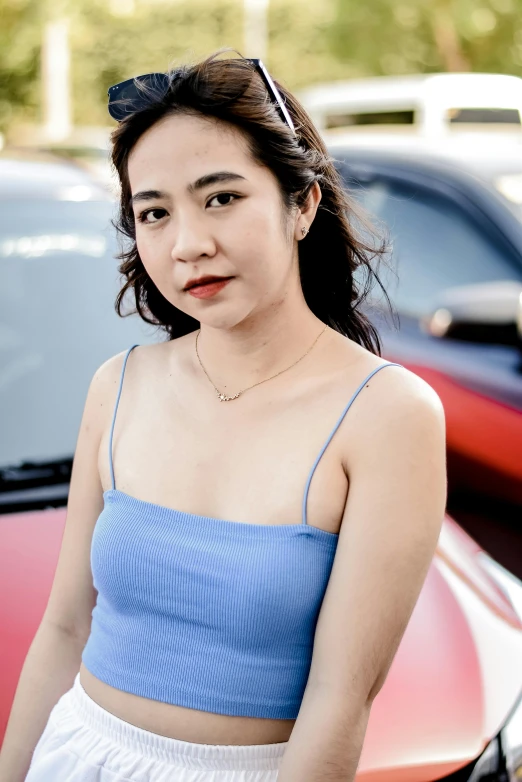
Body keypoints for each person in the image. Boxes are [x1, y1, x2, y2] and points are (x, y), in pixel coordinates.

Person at [0, 51, 447, 782]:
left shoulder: (386, 414)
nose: (188, 245)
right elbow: (62, 628)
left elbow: (340, 703)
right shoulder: (119, 385)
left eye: (221, 198)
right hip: (77, 754)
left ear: (302, 205)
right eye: (154, 213)